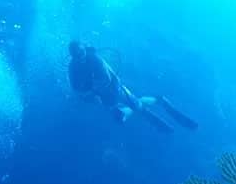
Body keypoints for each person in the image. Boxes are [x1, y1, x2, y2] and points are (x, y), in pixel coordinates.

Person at [67, 41, 197, 133]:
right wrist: (89, 95)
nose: (80, 57)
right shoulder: (72, 68)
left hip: (115, 88)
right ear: (72, 56)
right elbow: (77, 90)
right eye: (76, 55)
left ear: (84, 49)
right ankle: (137, 108)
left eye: (82, 52)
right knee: (120, 118)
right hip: (102, 96)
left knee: (137, 107)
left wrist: (90, 88)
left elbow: (105, 80)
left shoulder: (95, 59)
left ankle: (159, 100)